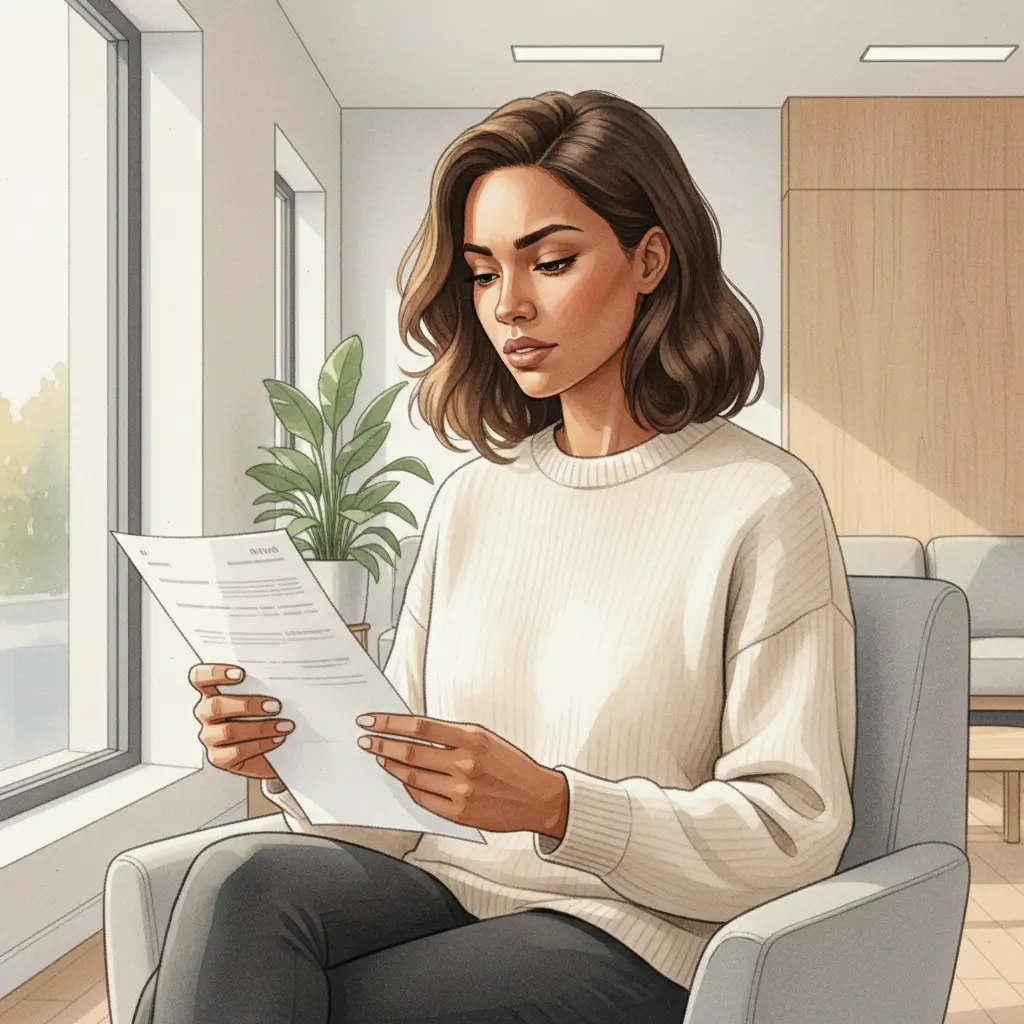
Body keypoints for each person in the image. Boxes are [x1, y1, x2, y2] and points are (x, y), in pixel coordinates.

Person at [132, 89, 856, 1024]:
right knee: (238, 881)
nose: (510, 307)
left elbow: (792, 833)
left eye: (551, 262)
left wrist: (557, 805)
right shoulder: (474, 498)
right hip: (444, 885)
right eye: (481, 274)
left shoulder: (762, 501)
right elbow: (399, 796)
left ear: (649, 258)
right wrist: (285, 757)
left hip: (631, 930)